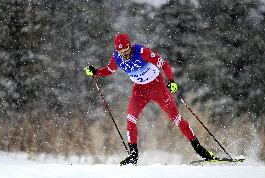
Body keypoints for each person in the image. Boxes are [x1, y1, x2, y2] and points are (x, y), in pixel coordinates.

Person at [84, 34, 216, 165]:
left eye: (126, 50)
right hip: (139, 90)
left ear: (130, 46)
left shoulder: (142, 52)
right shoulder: (117, 57)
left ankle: (199, 149)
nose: (124, 54)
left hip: (157, 87)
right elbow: (109, 69)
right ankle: (133, 155)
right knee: (130, 119)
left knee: (176, 119)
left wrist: (171, 81)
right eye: (121, 51)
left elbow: (164, 65)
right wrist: (95, 71)